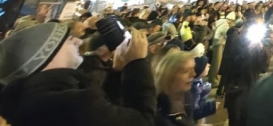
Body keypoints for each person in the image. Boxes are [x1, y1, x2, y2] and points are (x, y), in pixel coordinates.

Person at [0, 22, 156, 126]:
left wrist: (117, 72)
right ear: (46, 54)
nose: (79, 42)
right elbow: (143, 121)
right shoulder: (74, 102)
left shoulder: (27, 99)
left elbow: (110, 112)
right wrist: (137, 64)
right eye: (68, 39)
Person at [154, 50, 197, 126]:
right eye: (185, 71)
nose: (193, 74)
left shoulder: (187, 97)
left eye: (193, 69)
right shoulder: (157, 110)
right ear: (169, 75)